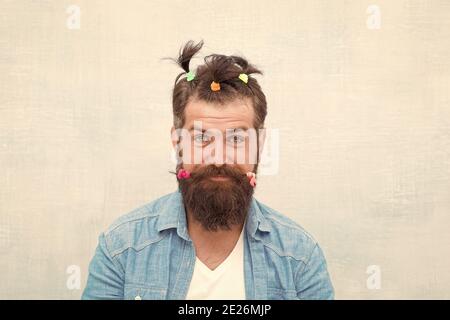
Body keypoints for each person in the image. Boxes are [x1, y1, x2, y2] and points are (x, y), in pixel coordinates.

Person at [82, 40, 334, 300]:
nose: (219, 157)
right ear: (177, 141)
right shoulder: (121, 248)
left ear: (260, 144)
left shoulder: (300, 258)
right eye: (202, 137)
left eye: (236, 138)